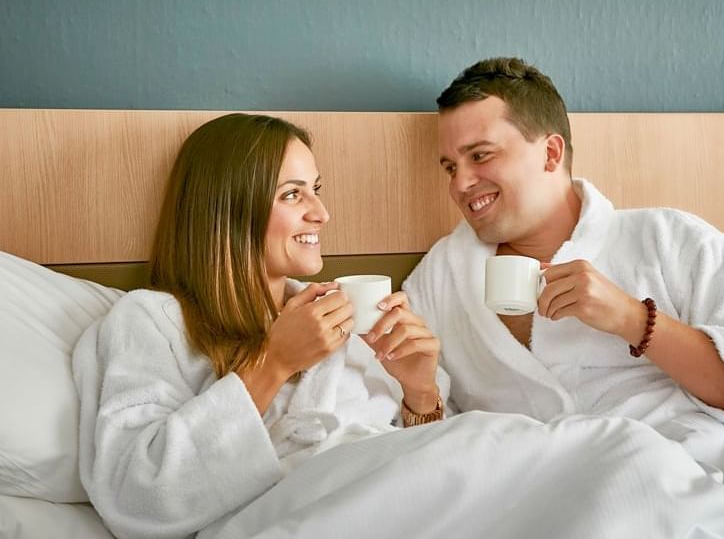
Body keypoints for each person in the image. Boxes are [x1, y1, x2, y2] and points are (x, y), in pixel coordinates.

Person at [403, 57, 724, 439]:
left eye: (480, 156)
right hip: (532, 490)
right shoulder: (442, 276)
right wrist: (422, 394)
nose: (459, 184)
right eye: (450, 167)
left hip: (684, 468)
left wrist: (633, 320)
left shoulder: (668, 239)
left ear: (551, 154)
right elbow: (424, 445)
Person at [72, 113, 447, 539]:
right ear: (228, 209)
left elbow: (431, 468)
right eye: (292, 194)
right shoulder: (153, 322)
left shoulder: (339, 314)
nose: (321, 213)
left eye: (316, 190)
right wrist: (273, 363)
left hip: (406, 509)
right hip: (297, 519)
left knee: (513, 449)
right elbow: (137, 498)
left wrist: (420, 394)